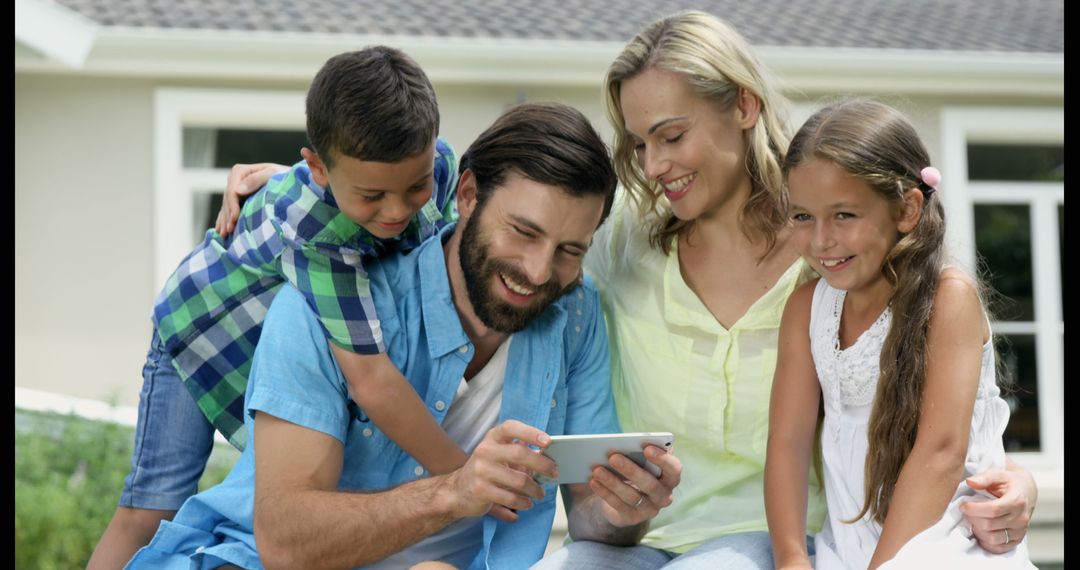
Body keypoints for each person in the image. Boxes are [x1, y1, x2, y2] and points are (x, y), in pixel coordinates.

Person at [535, 11, 1037, 569]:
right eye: (639, 145)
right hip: (644, 538)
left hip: (784, 541)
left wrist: (1016, 479)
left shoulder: (830, 258)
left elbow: (933, 417)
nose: (653, 165)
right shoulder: (622, 239)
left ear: (743, 106)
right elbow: (527, 293)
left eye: (673, 135)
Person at [126, 102, 683, 569]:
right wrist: (454, 493)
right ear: (467, 194)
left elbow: (588, 515)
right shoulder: (331, 305)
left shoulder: (577, 316)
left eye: (569, 250)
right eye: (523, 232)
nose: (539, 273)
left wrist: (622, 511)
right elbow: (284, 539)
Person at [90, 46, 476, 570]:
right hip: (200, 327)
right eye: (371, 195)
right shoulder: (318, 236)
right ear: (319, 168)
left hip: (273, 324)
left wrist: (296, 180)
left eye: (415, 187)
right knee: (152, 505)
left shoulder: (440, 165)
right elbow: (372, 382)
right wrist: (463, 477)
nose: (396, 210)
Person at [764, 100, 1035, 569]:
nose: (821, 240)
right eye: (803, 217)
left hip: (944, 543)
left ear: (907, 208)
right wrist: (791, 559)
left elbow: (941, 455)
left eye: (844, 215)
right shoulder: (807, 308)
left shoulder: (947, 299)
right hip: (844, 550)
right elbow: (788, 441)